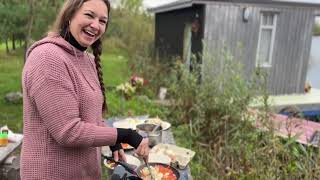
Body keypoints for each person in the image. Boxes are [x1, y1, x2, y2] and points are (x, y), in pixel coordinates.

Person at [21, 0, 149, 179]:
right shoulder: (47, 58)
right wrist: (124, 135)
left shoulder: (86, 59)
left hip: (84, 173)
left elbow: (91, 118)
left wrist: (113, 140)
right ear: (70, 15)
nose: (95, 25)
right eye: (89, 15)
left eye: (103, 21)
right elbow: (68, 131)